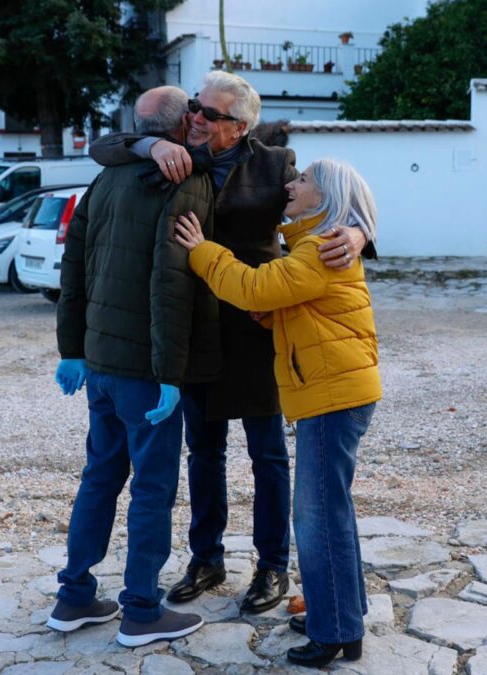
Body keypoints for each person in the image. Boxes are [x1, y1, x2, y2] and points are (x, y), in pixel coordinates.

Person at [90, 70, 373, 613]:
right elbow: (105, 148)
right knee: (204, 453)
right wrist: (150, 144)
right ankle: (207, 558)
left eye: (209, 113)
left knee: (267, 455)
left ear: (241, 126)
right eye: (194, 107)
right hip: (196, 329)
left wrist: (360, 234)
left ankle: (272, 566)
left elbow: (338, 201)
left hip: (258, 328)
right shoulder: (176, 154)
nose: (195, 118)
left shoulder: (276, 164)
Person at [173, 158, 381, 668]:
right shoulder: (320, 245)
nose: (292, 184)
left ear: (325, 195)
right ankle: (342, 618)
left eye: (304, 180)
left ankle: (334, 633)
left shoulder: (318, 249)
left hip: (332, 398)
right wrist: (278, 314)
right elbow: (306, 307)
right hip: (335, 393)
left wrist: (202, 250)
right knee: (331, 514)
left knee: (317, 519)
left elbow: (250, 285)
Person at [47, 85, 222, 648]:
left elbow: (73, 265)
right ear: (181, 124)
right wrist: (171, 374)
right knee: (151, 488)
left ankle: (74, 595)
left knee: (99, 476)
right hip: (145, 371)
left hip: (100, 363)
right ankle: (141, 610)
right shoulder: (183, 180)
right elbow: (173, 284)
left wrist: (72, 349)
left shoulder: (106, 176)